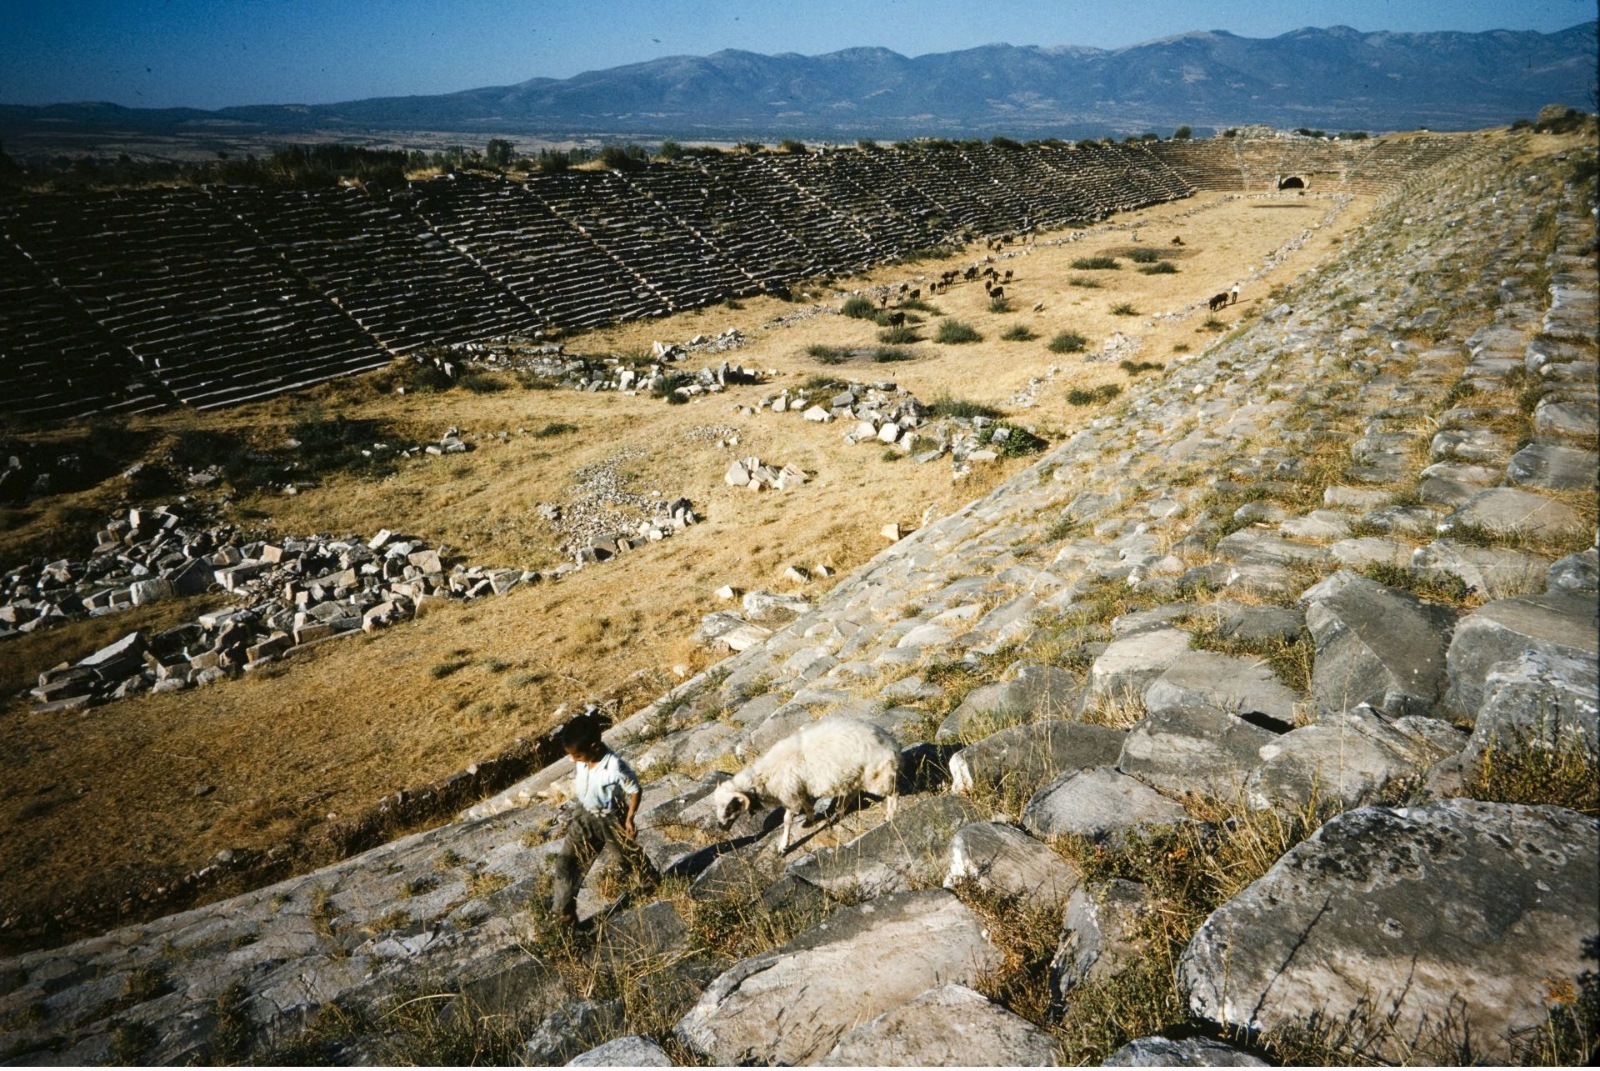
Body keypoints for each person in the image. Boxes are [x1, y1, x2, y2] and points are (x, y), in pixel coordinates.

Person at [549, 715, 657, 927]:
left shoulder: (615, 766)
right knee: (566, 863)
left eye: (577, 756)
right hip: (583, 816)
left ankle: (651, 881)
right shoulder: (584, 758)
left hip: (610, 817)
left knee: (625, 859)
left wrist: (629, 818)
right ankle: (564, 917)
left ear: (594, 746)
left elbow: (634, 790)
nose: (574, 760)